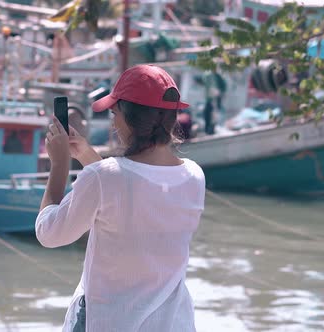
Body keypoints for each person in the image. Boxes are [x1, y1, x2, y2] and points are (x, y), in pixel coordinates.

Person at [36, 64, 206, 332]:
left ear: (127, 118)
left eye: (114, 112)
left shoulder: (103, 178)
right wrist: (88, 157)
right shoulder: (194, 176)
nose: (113, 121)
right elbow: (132, 187)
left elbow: (50, 233)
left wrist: (59, 165)